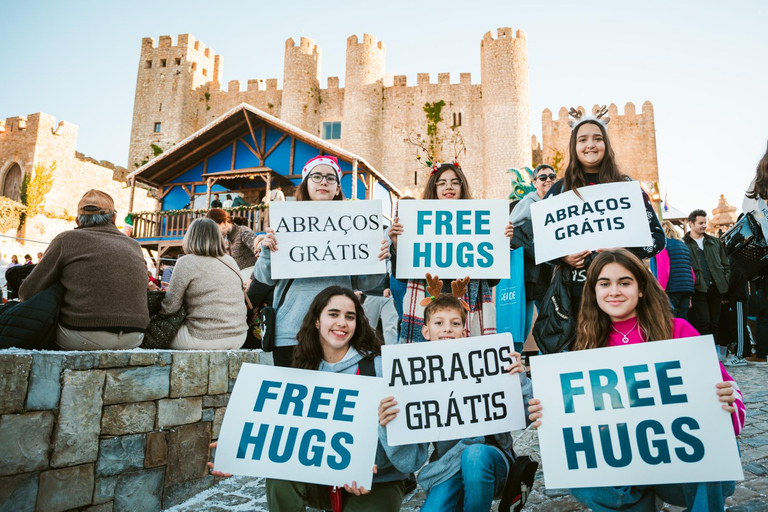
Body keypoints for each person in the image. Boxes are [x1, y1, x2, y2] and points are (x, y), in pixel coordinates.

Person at [527, 249, 745, 511]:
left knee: (713, 451)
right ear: (594, 292)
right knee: (580, 477)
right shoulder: (583, 347)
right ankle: (641, 503)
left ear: (641, 289)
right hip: (622, 467)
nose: (614, 291)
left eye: (625, 283)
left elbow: (730, 408)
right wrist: (549, 414)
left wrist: (728, 400)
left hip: (682, 467)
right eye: (604, 284)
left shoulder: (679, 330)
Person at [265, 286, 428, 511]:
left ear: (357, 323)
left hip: (377, 481)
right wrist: (239, 446)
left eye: (349, 317)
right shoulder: (303, 372)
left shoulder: (383, 370)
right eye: (333, 314)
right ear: (316, 321)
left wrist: (386, 430)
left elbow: (412, 460)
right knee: (278, 476)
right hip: (320, 478)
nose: (342, 322)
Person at [379, 278, 532, 512]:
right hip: (445, 467)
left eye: (455, 323)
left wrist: (518, 378)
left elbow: (527, 415)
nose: (447, 328)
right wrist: (388, 423)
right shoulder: (414, 377)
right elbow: (410, 460)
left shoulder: (486, 362)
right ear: (426, 331)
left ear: (464, 330)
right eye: (439, 322)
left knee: (474, 456)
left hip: (491, 460)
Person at [253, 155, 389, 366]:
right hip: (291, 331)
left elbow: (367, 283)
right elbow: (264, 278)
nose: (324, 181)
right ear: (306, 184)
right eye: (316, 176)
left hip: (336, 333)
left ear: (337, 189)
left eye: (330, 178)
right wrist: (268, 251)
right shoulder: (284, 224)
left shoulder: (354, 227)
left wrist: (378, 260)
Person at [543, 107, 665, 319]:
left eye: (597, 138)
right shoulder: (559, 191)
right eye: (582, 140)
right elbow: (540, 243)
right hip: (575, 297)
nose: (590, 144)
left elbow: (656, 238)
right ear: (574, 147)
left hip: (621, 297)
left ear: (606, 145)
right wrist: (564, 257)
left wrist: (622, 251)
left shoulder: (626, 187)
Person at [388, 163, 515, 343]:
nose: (449, 187)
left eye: (455, 182)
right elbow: (401, 277)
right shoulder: (415, 223)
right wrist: (397, 246)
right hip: (427, 304)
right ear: (434, 188)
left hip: (467, 310)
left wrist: (501, 245)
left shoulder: (483, 222)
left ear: (462, 187)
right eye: (442, 183)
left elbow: (493, 280)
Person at [19, 189, 149, 350]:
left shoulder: (66, 239)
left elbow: (28, 291)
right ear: (114, 219)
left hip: (85, 335)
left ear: (77, 220)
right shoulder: (134, 245)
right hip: (135, 336)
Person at [160, 218, 248, 349]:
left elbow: (170, 308)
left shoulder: (186, 262)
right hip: (240, 336)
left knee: (157, 333)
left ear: (190, 237)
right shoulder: (230, 261)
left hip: (205, 337)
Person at [509, 165, 557, 342]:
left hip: (548, 270)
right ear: (534, 182)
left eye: (552, 176)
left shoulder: (556, 203)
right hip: (530, 272)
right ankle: (516, 357)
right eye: (543, 177)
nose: (548, 180)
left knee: (550, 318)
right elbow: (511, 230)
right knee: (523, 320)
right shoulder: (529, 203)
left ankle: (546, 357)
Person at [683, 209, 730, 341]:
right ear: (691, 223)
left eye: (705, 222)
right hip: (698, 289)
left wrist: (724, 280)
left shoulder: (715, 242)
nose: (704, 225)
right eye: (700, 222)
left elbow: (726, 264)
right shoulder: (684, 244)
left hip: (716, 288)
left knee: (715, 323)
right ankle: (705, 353)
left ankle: (714, 354)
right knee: (703, 322)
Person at [743, 140, 768, 363]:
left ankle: (761, 352)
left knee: (764, 307)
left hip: (766, 251)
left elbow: (748, 210)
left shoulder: (760, 178)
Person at [650, 220, 694, 319]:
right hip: (686, 288)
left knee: (670, 319)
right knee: (683, 319)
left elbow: (663, 269)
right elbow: (691, 271)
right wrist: (690, 292)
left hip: (671, 289)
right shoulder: (683, 245)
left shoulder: (662, 245)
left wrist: (660, 290)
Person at [206, 208, 258, 274]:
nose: (215, 233)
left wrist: (252, 278)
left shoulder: (243, 232)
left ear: (224, 222)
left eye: (215, 229)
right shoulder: (229, 238)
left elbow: (261, 255)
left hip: (252, 279)